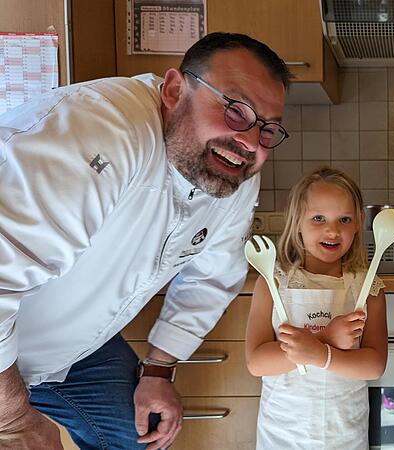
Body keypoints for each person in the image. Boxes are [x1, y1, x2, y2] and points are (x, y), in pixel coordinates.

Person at [0, 32, 291, 450]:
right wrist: (12, 419)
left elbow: (213, 277)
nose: (249, 141)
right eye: (234, 109)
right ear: (174, 90)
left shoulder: (234, 172)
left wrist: (159, 370)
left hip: (76, 352)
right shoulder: (100, 129)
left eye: (268, 130)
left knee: (137, 437)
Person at [244, 167, 388, 449]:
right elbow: (257, 362)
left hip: (344, 433)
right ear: (297, 222)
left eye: (344, 219)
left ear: (358, 223)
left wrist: (320, 353)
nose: (333, 230)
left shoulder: (368, 287)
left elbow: (374, 365)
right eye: (318, 218)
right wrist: (325, 341)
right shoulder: (273, 282)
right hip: (282, 434)